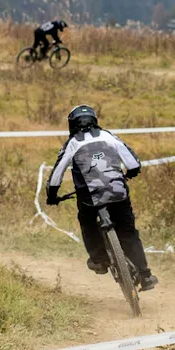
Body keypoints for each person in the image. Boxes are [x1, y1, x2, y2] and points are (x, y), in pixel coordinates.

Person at [46, 105, 159, 291]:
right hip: (118, 193)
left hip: (89, 198)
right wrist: (131, 173)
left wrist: (52, 196)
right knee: (129, 232)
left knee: (87, 222)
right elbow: (133, 163)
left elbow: (56, 175)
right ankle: (146, 276)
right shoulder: (109, 136)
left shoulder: (72, 143)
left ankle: (99, 260)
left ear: (71, 124)